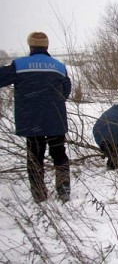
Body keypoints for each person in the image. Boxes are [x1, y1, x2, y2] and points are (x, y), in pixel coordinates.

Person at [0, 32, 72, 203]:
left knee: (35, 157)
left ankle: (39, 194)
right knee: (59, 154)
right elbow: (66, 89)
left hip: (32, 120)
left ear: (31, 46)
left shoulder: (19, 65)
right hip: (55, 118)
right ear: (46, 47)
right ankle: (63, 191)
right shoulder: (58, 66)